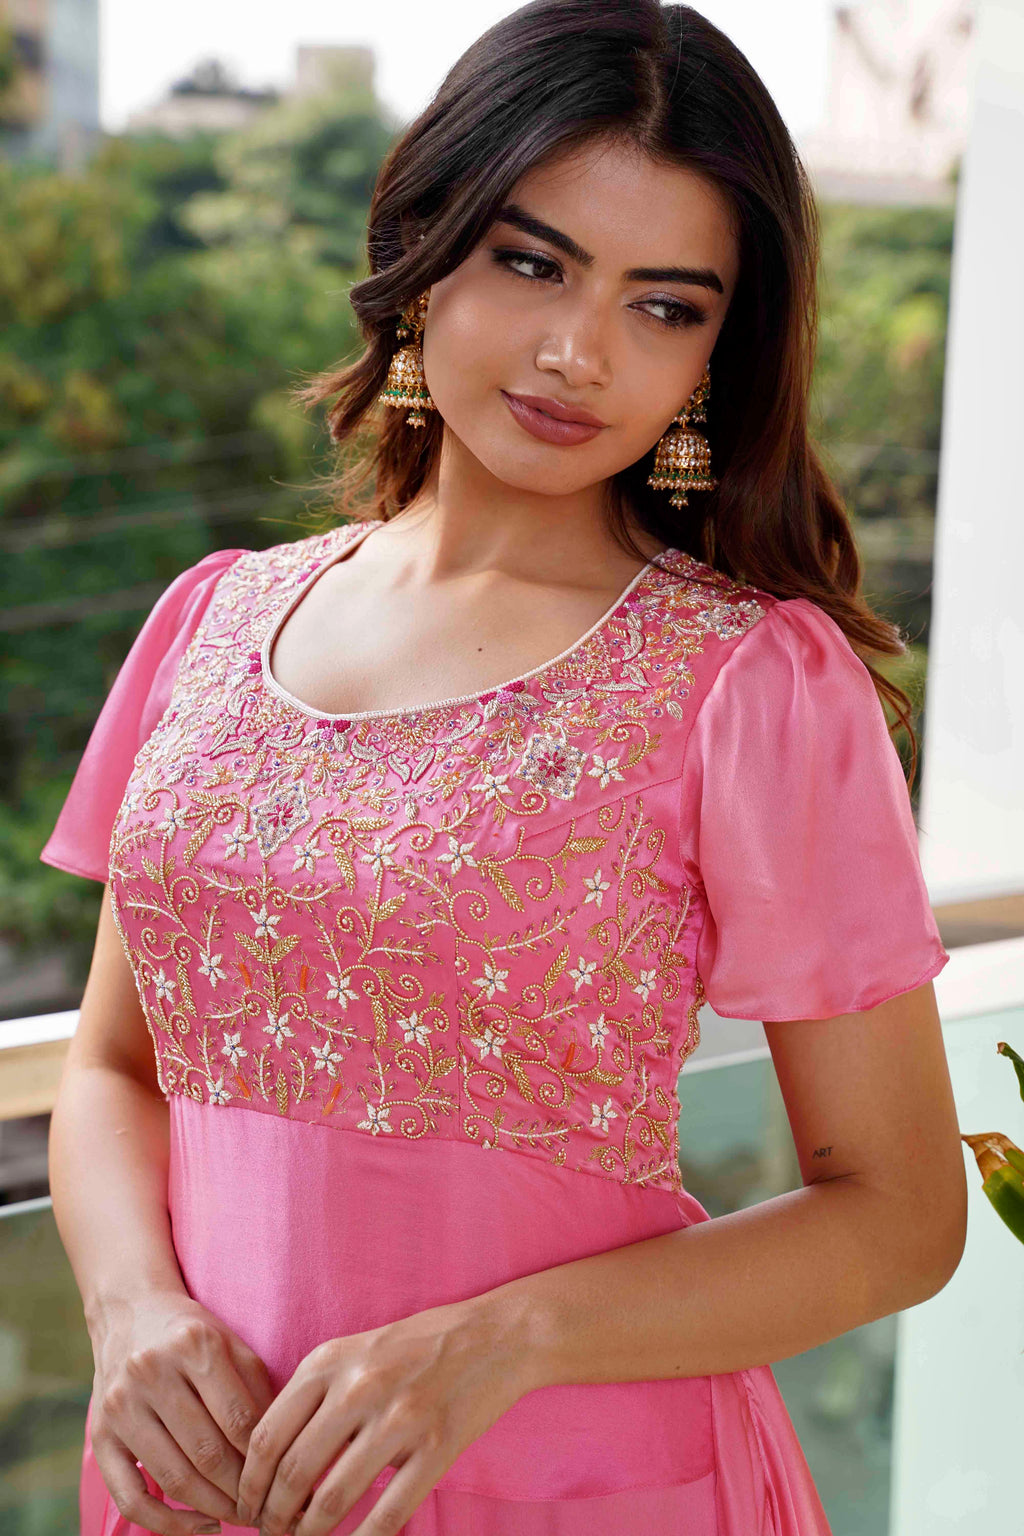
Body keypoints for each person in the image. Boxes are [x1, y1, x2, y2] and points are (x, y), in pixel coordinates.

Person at [40, 2, 967, 1533]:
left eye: (664, 306)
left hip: (569, 1481)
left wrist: (501, 1343)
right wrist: (134, 1312)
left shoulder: (754, 685)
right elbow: (112, 1070)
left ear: (717, 356)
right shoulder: (207, 622)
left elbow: (901, 1216)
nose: (576, 351)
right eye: (531, 263)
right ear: (424, 249)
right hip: (194, 1475)